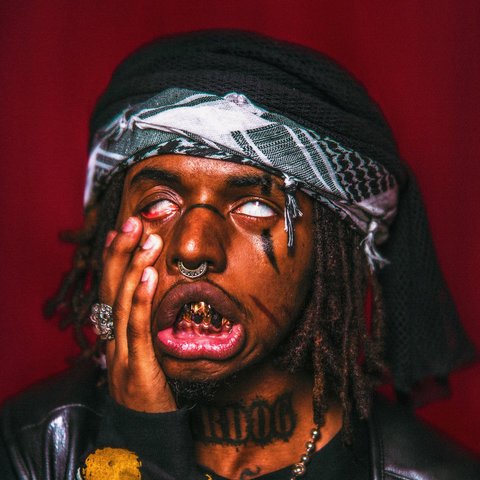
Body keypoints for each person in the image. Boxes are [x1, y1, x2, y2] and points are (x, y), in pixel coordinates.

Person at [1, 30, 479, 480]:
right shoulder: (30, 449)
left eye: (254, 206)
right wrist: (140, 434)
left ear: (329, 247)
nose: (192, 248)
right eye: (159, 204)